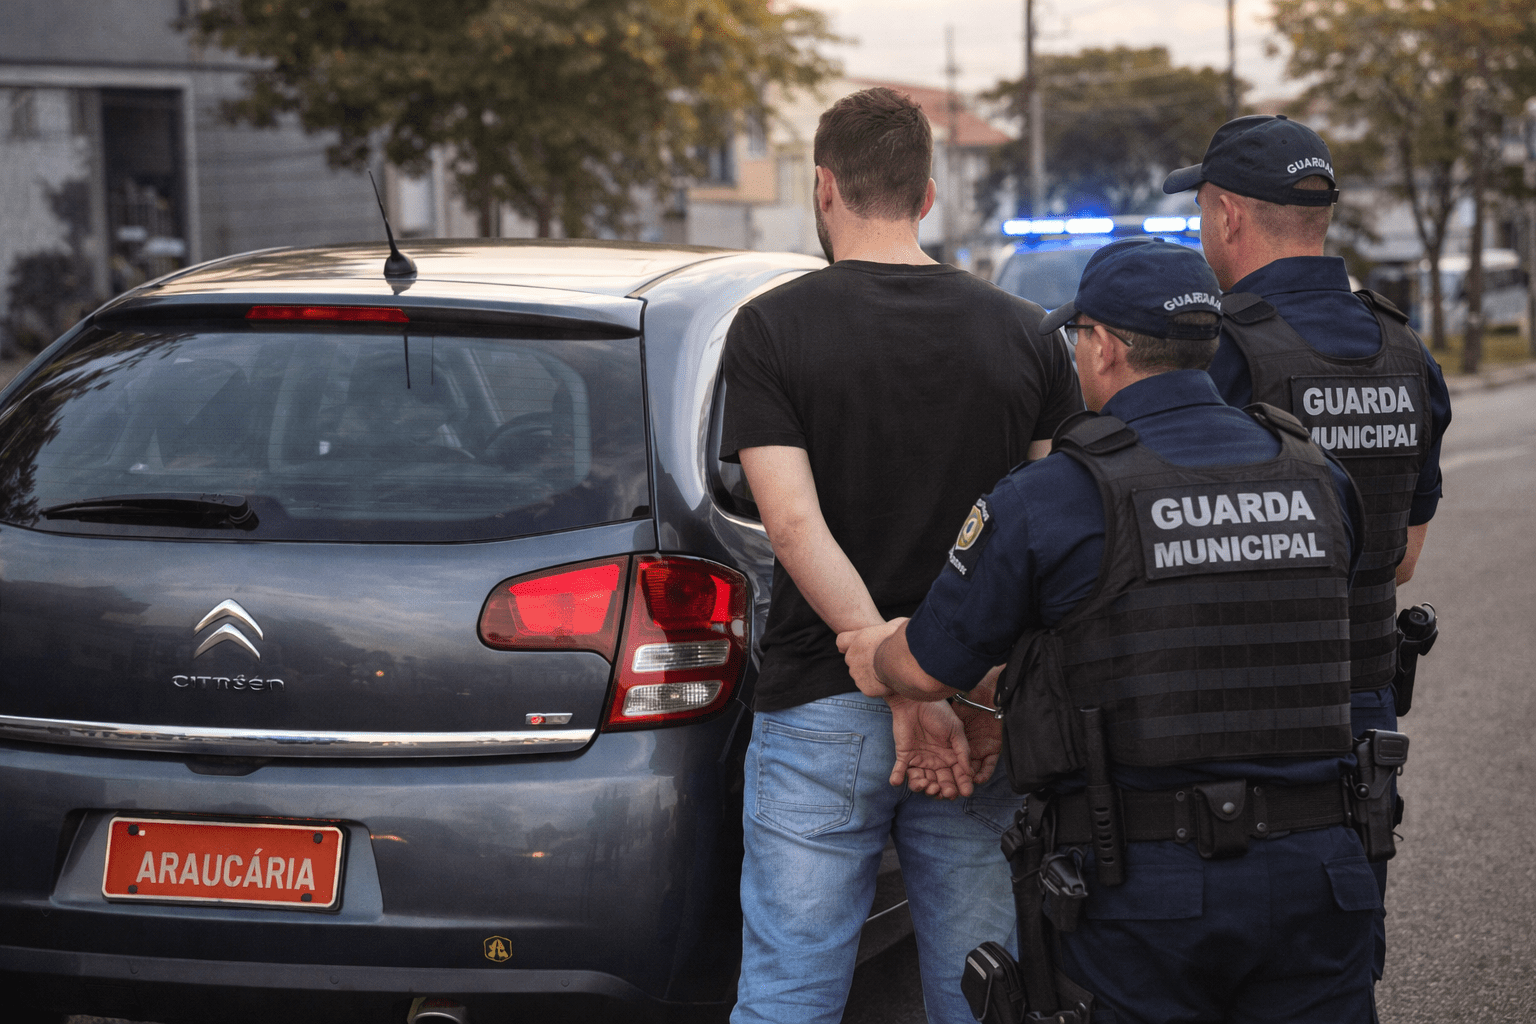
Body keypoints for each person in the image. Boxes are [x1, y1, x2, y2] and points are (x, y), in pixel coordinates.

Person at [840, 237, 1378, 1024]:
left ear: (1107, 347)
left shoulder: (1055, 495)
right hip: (1318, 870)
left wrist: (874, 650)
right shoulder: (1318, 474)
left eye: (1081, 336)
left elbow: (929, 667)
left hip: (1146, 888)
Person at [720, 86, 1082, 1024]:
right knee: (980, 983)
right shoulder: (1025, 334)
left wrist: (888, 666)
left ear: (823, 187)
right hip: (980, 704)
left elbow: (792, 528)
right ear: (927, 195)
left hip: (822, 705)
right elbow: (1046, 530)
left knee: (790, 989)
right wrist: (942, 687)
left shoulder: (768, 328)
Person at [1162, 113, 1451, 986]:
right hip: (1360, 704)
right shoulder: (1406, 351)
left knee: (1206, 971)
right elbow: (1400, 557)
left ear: (1225, 215)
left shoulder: (1218, 350)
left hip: (1222, 716)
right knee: (1331, 972)